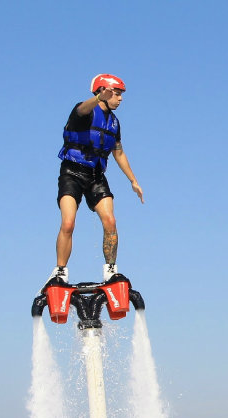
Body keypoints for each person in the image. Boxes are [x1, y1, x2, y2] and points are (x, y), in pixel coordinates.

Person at [46, 73, 144, 287]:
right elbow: (82, 108)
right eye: (116, 94)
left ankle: (110, 271)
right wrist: (98, 98)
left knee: (110, 221)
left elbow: (118, 153)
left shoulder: (115, 123)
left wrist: (133, 180)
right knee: (68, 223)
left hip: (96, 176)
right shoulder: (84, 112)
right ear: (103, 91)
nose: (120, 99)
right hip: (72, 172)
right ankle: (60, 272)